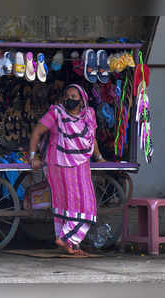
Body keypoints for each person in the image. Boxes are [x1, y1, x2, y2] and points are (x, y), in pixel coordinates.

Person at [28, 84, 106, 256]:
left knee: (72, 204)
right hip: (59, 164)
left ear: (82, 100)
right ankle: (66, 238)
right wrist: (33, 156)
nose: (70, 99)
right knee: (82, 205)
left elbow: (92, 139)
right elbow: (37, 132)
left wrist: (99, 158)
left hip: (81, 165)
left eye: (74, 96)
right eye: (67, 96)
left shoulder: (89, 115)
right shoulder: (56, 113)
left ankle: (68, 243)